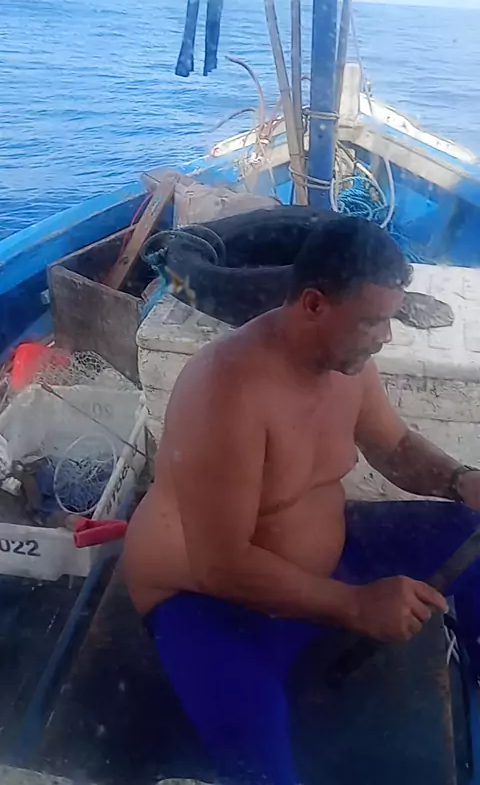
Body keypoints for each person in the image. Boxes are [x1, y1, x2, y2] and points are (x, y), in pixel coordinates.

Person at [124, 216, 480, 785]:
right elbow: (221, 564)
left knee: (472, 534)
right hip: (214, 603)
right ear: (314, 304)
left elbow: (393, 446)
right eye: (372, 321)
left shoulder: (349, 363)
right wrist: (358, 605)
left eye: (388, 319)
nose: (385, 337)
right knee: (261, 767)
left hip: (330, 558)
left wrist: (461, 481)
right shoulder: (227, 390)